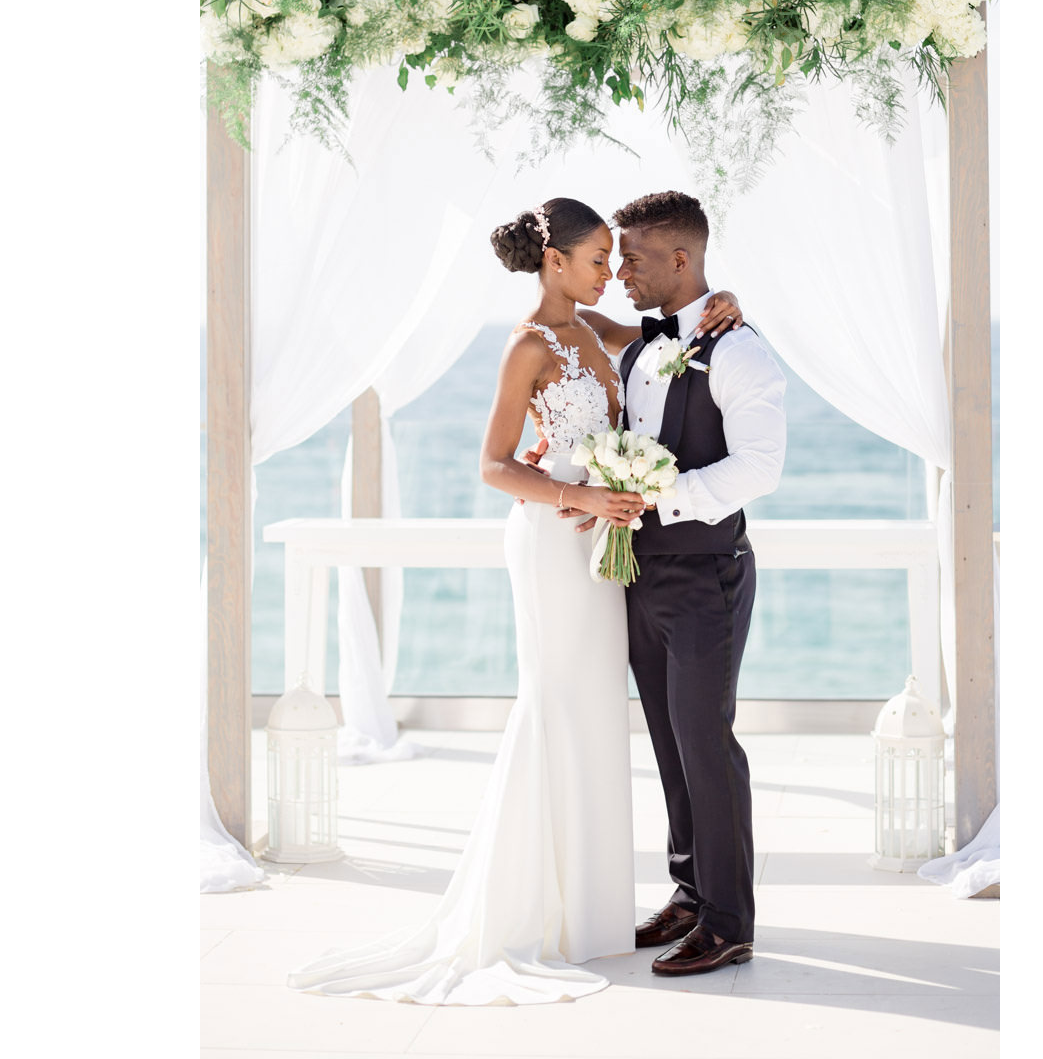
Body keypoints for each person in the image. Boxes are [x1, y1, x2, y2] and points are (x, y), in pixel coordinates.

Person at [287, 197, 742, 1005]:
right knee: (556, 701)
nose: (612, 273)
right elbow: (494, 465)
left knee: (598, 707)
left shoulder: (602, 335)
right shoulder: (526, 346)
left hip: (599, 543)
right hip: (549, 540)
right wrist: (585, 498)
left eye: (616, 258)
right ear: (554, 263)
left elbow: (676, 339)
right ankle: (530, 901)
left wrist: (724, 307)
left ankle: (595, 912)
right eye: (599, 259)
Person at [562, 191, 787, 976]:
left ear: (682, 261)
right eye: (614, 258)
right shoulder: (645, 342)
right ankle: (690, 894)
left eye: (633, 258)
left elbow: (761, 467)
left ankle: (729, 924)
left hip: (705, 577)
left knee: (706, 744)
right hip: (641, 574)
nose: (620, 271)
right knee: (668, 742)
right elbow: (576, 321)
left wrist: (659, 494)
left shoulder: (739, 351)